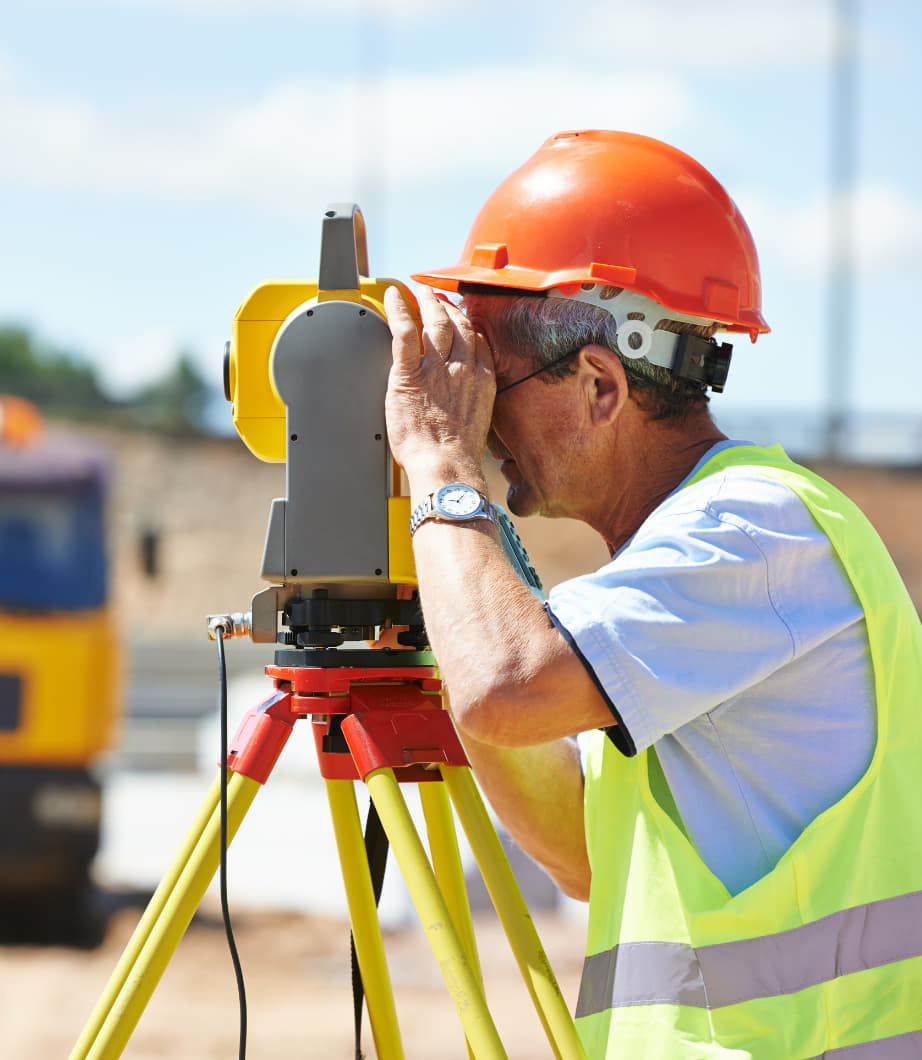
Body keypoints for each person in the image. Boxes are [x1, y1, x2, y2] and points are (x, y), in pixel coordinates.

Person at [382, 130, 922, 1058]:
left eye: (489, 380)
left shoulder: (757, 529)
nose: (476, 413)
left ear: (599, 386)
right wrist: (445, 603)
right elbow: (577, 852)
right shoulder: (679, 574)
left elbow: (507, 685)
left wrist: (437, 460)